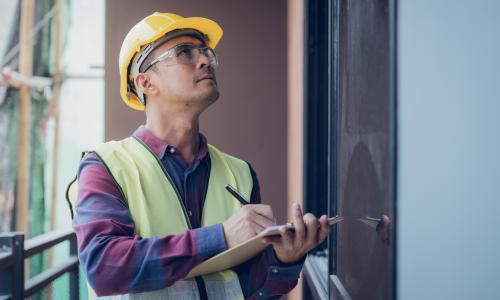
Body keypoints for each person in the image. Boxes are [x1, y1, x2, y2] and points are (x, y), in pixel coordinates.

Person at [72, 12, 330, 299]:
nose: (206, 60)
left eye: (206, 52)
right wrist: (220, 237)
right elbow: (103, 267)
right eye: (184, 53)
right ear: (145, 83)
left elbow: (251, 289)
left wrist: (284, 260)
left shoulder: (240, 173)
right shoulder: (105, 166)